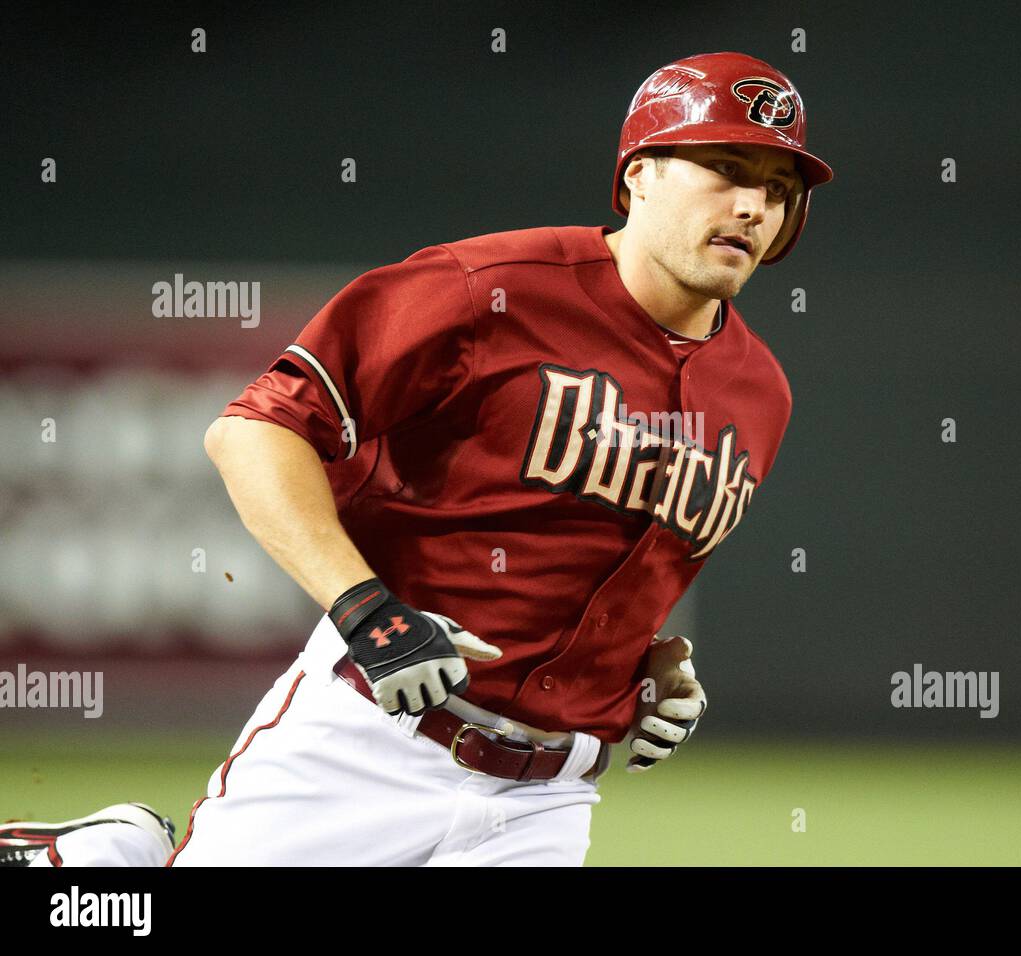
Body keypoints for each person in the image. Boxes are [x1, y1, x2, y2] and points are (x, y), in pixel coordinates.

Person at [2, 50, 833, 867]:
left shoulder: (761, 391)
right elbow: (252, 431)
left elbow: (608, 562)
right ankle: (105, 858)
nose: (754, 204)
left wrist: (650, 667)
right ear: (639, 175)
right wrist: (365, 611)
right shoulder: (489, 288)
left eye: (779, 189)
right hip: (370, 739)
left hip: (547, 796)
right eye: (725, 168)